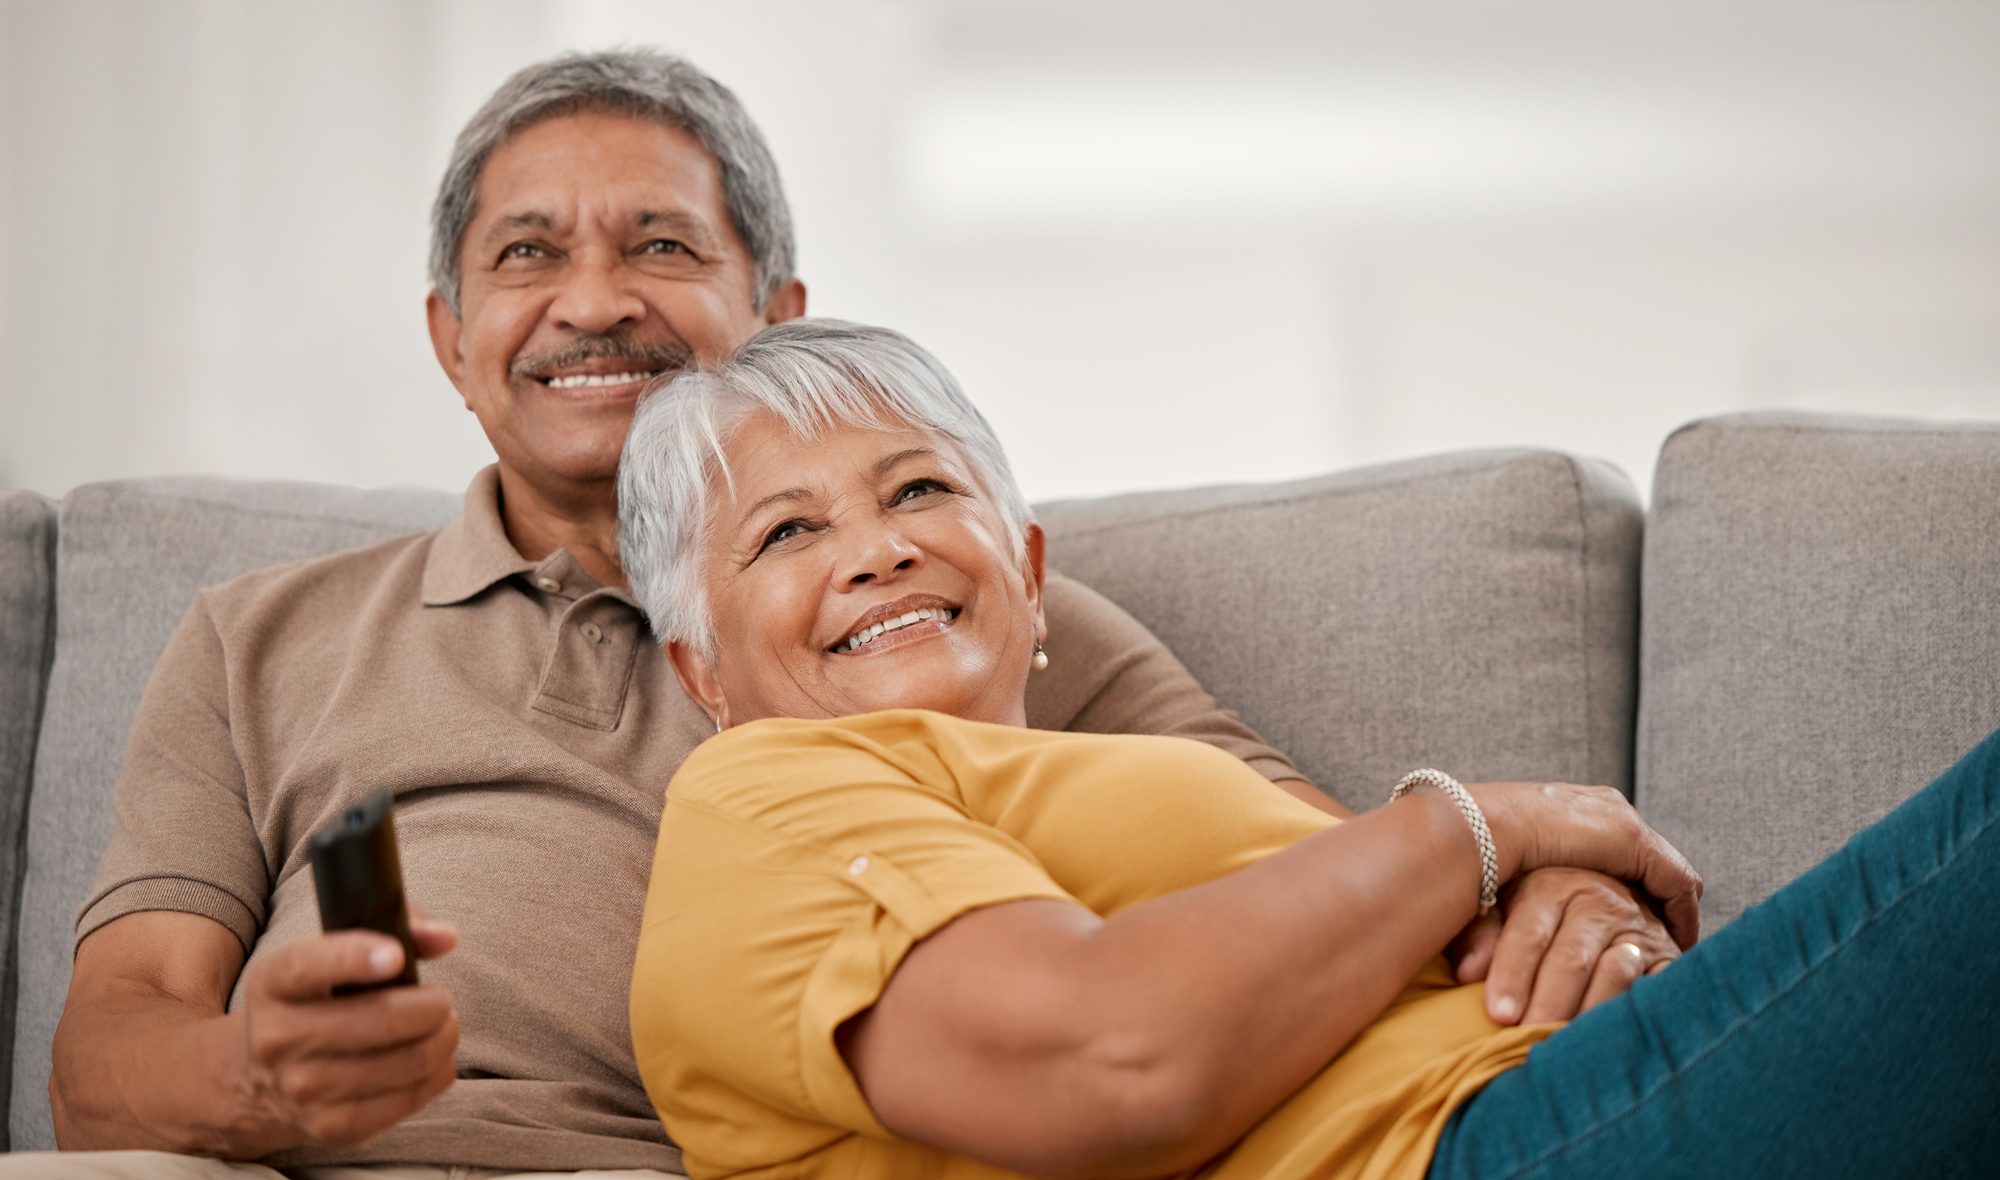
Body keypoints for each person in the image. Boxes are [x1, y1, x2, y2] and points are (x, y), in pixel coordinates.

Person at [27, 51, 1334, 1179]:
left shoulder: (942, 604)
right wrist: (258, 1078)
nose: (593, 302)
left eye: (660, 244)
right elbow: (104, 1056)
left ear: (779, 315)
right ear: (453, 336)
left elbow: (1300, 843)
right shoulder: (252, 638)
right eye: (528, 253)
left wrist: (1520, 862)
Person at [619, 318, 2000, 1180]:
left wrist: (1552, 908)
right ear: (703, 669)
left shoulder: (1082, 783)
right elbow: (1111, 1061)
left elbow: (1321, 951)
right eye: (787, 533)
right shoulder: (759, 797)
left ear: (1031, 575)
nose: (880, 548)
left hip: (1573, 1084)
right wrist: (1496, 832)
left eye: (919, 487)